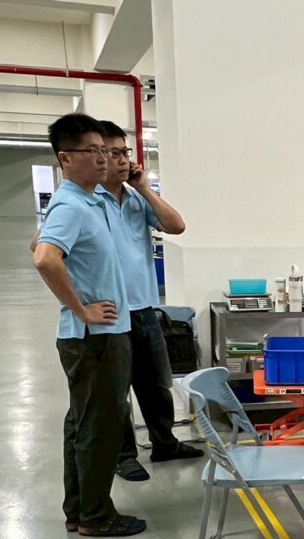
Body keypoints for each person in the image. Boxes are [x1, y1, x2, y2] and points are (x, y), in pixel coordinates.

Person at [32, 113, 145, 537]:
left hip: (101, 336)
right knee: (100, 427)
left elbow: (39, 242)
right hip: (95, 337)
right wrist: (81, 309)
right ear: (65, 158)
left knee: (84, 424)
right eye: (92, 151)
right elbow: (45, 258)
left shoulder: (90, 201)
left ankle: (80, 510)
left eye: (106, 151)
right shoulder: (73, 205)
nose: (103, 158)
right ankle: (96, 516)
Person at [92, 120, 203, 482]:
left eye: (125, 152)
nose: (123, 160)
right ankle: (123, 455)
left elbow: (176, 226)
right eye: (114, 153)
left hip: (144, 309)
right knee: (116, 391)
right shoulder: (86, 200)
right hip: (110, 314)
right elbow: (43, 250)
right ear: (97, 157)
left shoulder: (137, 198)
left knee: (156, 384)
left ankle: (164, 443)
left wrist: (144, 187)